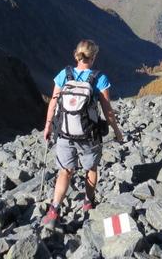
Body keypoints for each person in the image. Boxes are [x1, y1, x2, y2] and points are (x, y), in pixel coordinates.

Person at [42, 39, 123, 228]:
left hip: (64, 132)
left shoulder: (64, 74)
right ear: (93, 57)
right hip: (89, 134)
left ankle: (54, 210)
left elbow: (53, 103)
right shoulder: (99, 78)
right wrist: (117, 132)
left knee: (65, 171)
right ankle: (87, 203)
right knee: (91, 169)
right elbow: (107, 110)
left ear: (76, 54)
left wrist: (48, 127)